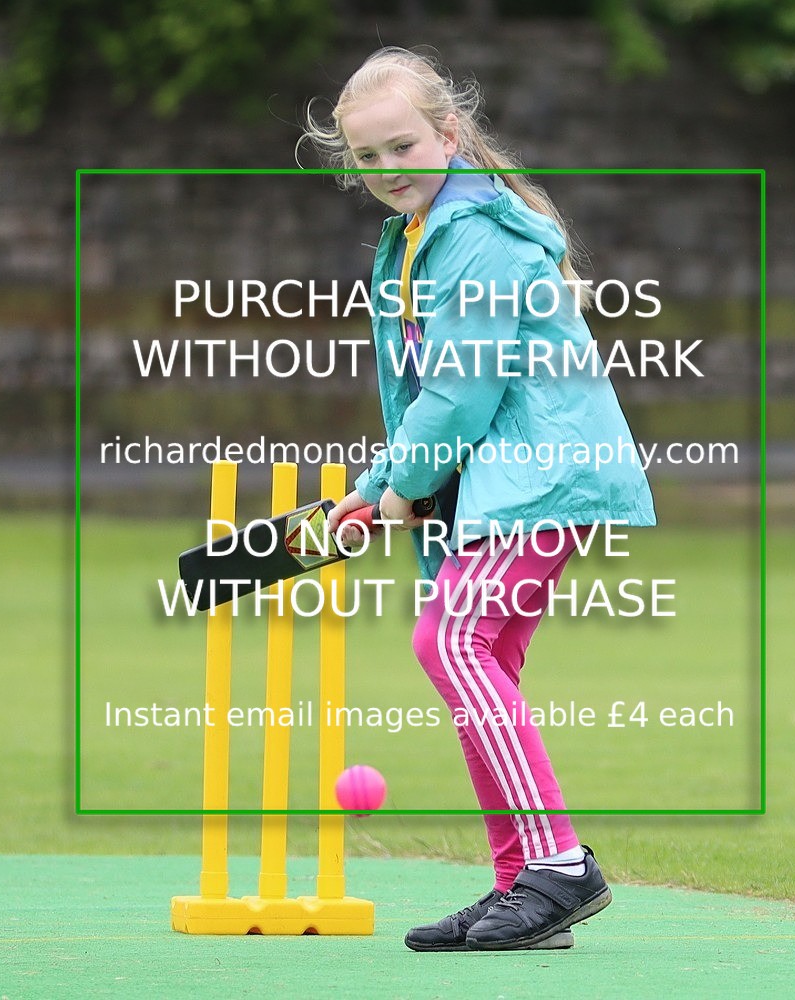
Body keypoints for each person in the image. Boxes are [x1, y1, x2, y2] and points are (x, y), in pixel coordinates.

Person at [301, 47, 656, 952]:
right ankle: (520, 888)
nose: (386, 171)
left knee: (450, 640)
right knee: (477, 655)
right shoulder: (419, 234)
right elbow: (426, 394)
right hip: (510, 476)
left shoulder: (477, 234)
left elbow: (462, 392)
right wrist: (379, 488)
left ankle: (557, 869)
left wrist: (404, 487)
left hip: (540, 472)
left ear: (449, 133)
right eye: (367, 157)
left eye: (402, 146)